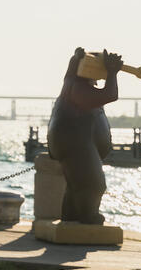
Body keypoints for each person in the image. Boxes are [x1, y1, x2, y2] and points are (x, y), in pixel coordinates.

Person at [47, 47, 122, 225]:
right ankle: (88, 216)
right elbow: (110, 94)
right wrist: (112, 73)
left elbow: (71, 69)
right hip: (76, 141)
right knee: (93, 184)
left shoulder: (71, 81)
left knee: (75, 185)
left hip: (74, 140)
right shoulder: (78, 89)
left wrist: (75, 59)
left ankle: (71, 215)